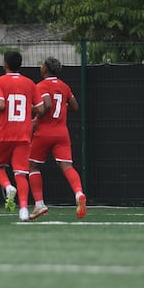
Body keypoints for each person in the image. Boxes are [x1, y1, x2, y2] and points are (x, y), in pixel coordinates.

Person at [28, 57, 88, 220]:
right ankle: (78, 193)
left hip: (44, 132)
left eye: (42, 65)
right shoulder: (64, 86)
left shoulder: (41, 85)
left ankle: (39, 204)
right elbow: (75, 106)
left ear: (46, 69)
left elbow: (46, 105)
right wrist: (62, 107)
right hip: (62, 132)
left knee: (32, 166)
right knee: (67, 166)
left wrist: (35, 116)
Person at [0, 51, 45, 222]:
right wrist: (28, 107)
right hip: (23, 134)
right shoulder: (30, 84)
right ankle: (23, 210)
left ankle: (7, 187)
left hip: (4, 133)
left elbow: (1, 104)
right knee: (21, 173)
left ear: (5, 64)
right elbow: (41, 109)